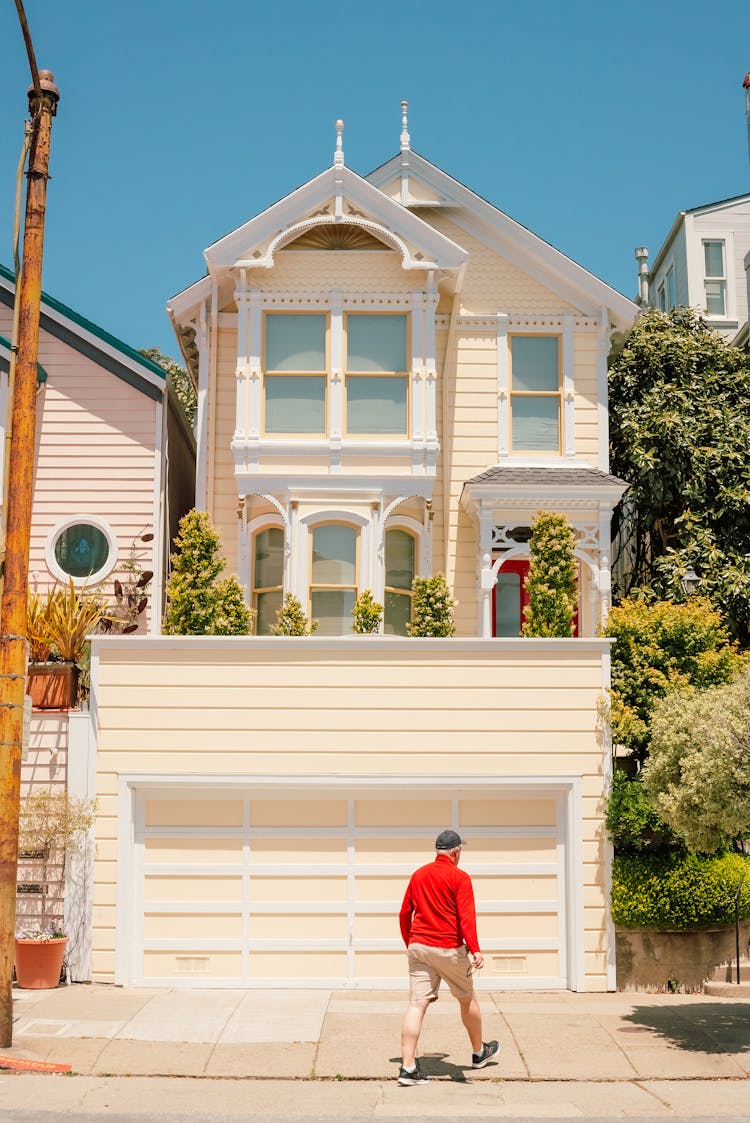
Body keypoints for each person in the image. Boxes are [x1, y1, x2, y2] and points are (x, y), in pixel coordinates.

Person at [397, 828, 499, 1086]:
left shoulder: (419, 874)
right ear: (456, 852)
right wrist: (475, 949)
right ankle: (479, 1053)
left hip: (419, 947)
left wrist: (411, 941)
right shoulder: (460, 877)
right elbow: (466, 917)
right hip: (449, 949)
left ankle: (407, 1068)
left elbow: (404, 913)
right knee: (467, 999)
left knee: (416, 1005)